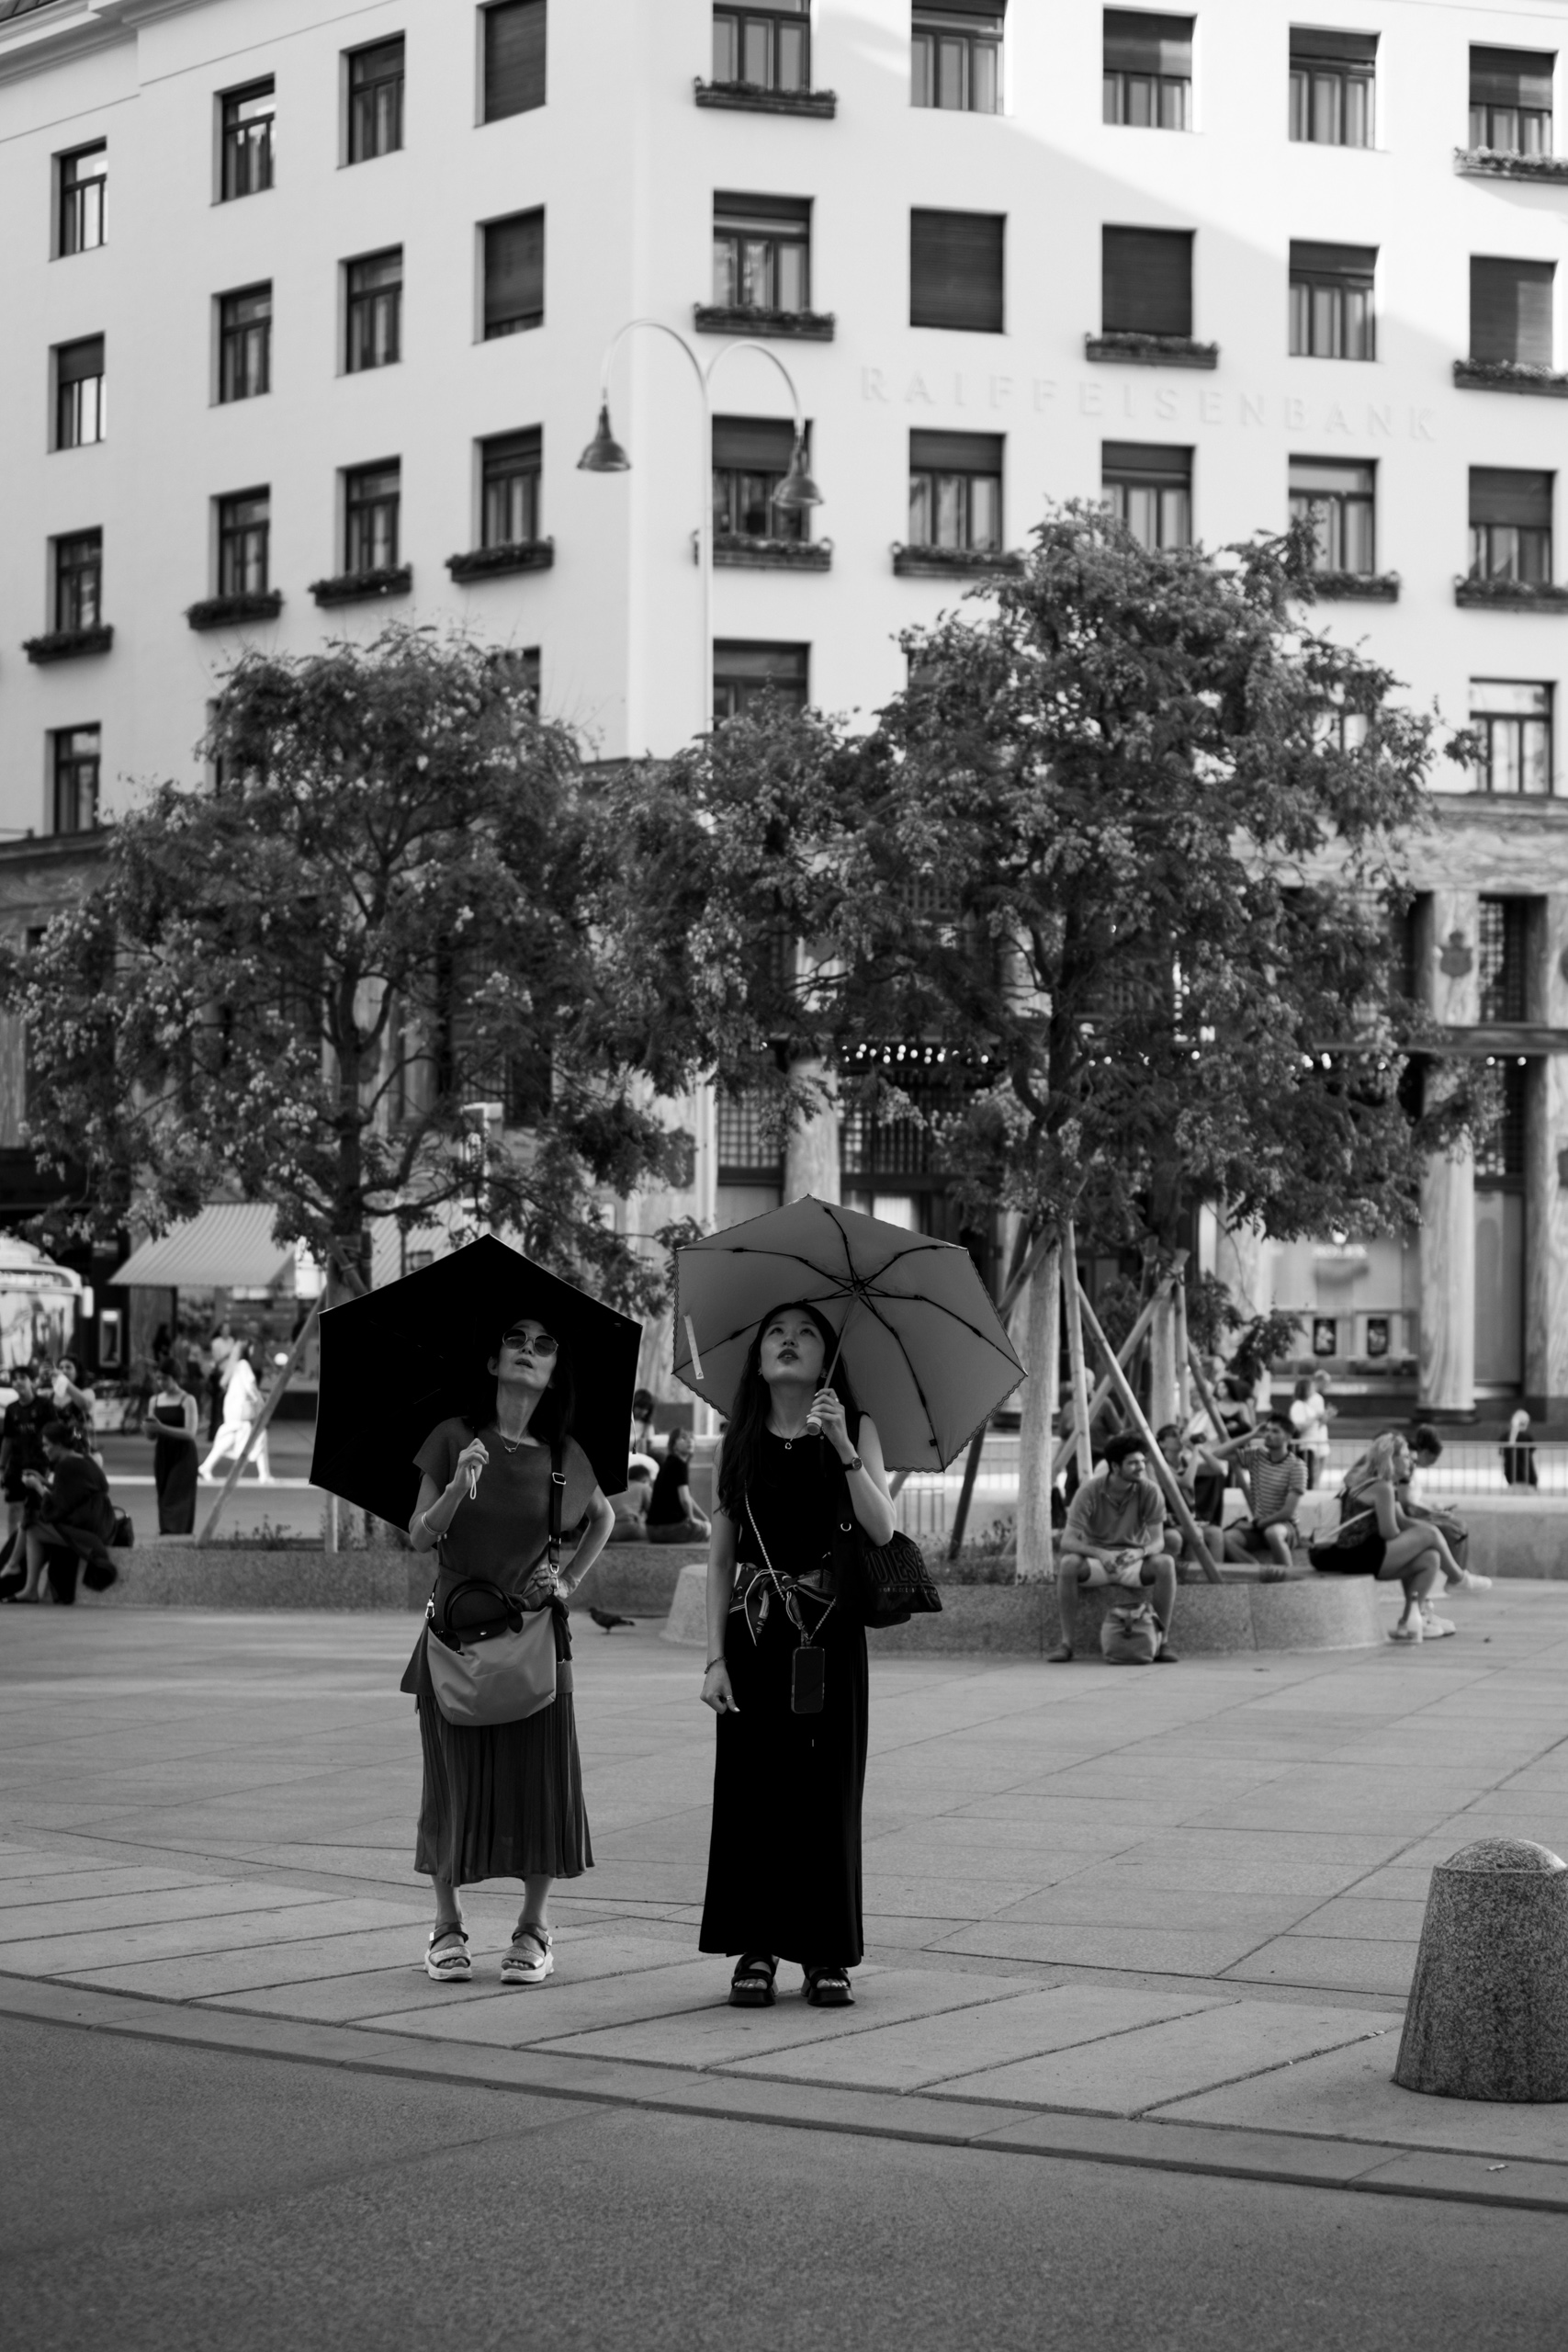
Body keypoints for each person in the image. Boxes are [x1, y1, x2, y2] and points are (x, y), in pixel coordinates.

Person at [402, 1318, 615, 1989]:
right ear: (493, 1361)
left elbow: (603, 1517)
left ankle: (533, 1929)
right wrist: (456, 1488)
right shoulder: (452, 1438)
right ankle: (446, 1926)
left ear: (552, 1374)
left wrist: (569, 1581)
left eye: (544, 1345)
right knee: (451, 1781)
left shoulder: (563, 1455)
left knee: (542, 1783)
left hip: (535, 1639)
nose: (529, 1349)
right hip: (454, 1640)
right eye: (516, 1339)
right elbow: (418, 1536)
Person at [700, 1301, 895, 2010]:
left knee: (825, 1795)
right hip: (754, 1636)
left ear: (825, 1360)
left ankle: (824, 1952)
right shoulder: (739, 1439)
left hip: (828, 1637)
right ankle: (755, 1949)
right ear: (758, 1361)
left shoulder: (855, 1427)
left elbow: (883, 1527)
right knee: (753, 1795)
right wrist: (713, 1659)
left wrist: (842, 1444)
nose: (788, 1341)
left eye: (806, 1332)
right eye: (775, 1333)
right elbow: (720, 1559)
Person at [1312, 1430, 1481, 1642]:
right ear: (1391, 1459)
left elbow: (1402, 1522)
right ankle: (1458, 1578)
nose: (1411, 1461)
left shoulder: (1378, 1483)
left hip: (1356, 1553)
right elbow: (1389, 1532)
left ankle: (1410, 1621)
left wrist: (1421, 1532)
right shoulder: (1382, 1488)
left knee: (1430, 1558)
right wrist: (1416, 1539)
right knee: (1429, 1535)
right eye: (1406, 1456)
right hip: (1356, 1554)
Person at [1050, 1430, 1179, 1664]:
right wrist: (1100, 1553)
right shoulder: (1089, 1491)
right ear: (1115, 1467)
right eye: (1133, 1463)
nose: (1141, 1467)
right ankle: (1066, 1644)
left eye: (1142, 1461)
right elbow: (1068, 1541)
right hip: (1097, 1562)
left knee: (1166, 1564)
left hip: (1134, 1562)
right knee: (1068, 1564)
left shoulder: (1150, 1490)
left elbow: (1158, 1541)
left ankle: (1163, 1643)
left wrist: (1139, 1552)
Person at [14, 1422, 118, 1604]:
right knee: (33, 1524)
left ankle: (27, 1585)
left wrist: (37, 1486)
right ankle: (18, 1573)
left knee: (32, 1526)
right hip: (105, 1523)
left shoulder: (66, 1466)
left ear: (59, 1444)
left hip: (90, 1529)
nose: (44, 1449)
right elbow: (73, 1493)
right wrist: (45, 1483)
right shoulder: (85, 1459)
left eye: (47, 1445)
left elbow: (57, 1508)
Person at [1399, 1426, 1485, 1595]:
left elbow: (1408, 1501)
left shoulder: (1406, 1469)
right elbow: (1405, 1504)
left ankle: (1458, 1575)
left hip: (1411, 1516)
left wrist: (1433, 1509)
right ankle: (1456, 1578)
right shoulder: (1403, 1472)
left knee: (1459, 1525)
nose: (1411, 1462)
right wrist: (1432, 1513)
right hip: (1408, 1518)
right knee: (1452, 1530)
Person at [1222, 1416, 1307, 1569]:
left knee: (1272, 1533)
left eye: (1275, 1431)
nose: (1268, 1434)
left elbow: (1288, 1512)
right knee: (1226, 1538)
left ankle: (1287, 1575)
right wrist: (1252, 1434)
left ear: (1288, 1437)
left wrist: (1259, 1524)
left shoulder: (1297, 1466)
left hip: (1285, 1527)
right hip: (1259, 1527)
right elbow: (1217, 1454)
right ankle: (1259, 1571)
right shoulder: (1256, 1456)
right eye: (1267, 1430)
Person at [197, 1343, 269, 1483]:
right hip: (241, 1410)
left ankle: (206, 1467)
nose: (253, 1350)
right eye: (251, 1347)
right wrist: (260, 1401)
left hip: (233, 1408)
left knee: (230, 1438)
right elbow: (250, 1386)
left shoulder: (235, 1365)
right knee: (259, 1435)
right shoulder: (243, 1365)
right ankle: (264, 1474)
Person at [144, 1360, 199, 1534]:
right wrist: (148, 1429)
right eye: (158, 1378)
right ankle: (168, 1532)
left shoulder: (187, 1400)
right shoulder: (154, 1400)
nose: (161, 1382)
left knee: (175, 1495)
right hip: (163, 1453)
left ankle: (173, 1532)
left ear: (175, 1378)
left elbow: (190, 1433)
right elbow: (152, 1436)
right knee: (164, 1493)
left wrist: (161, 1428)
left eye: (165, 1378)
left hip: (183, 1453)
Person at [645, 1426, 712, 1544]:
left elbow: (688, 1499)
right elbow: (685, 1499)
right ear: (674, 1445)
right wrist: (692, 1519)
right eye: (683, 1438)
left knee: (706, 1524)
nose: (689, 1441)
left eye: (691, 1438)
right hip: (671, 1529)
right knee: (709, 1529)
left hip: (652, 1531)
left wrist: (704, 1517)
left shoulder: (668, 1463)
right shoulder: (679, 1464)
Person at [1288, 1373, 1336, 1488]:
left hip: (1310, 1445)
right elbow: (1300, 1426)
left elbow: (1315, 1423)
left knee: (1309, 1476)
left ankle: (1313, 1489)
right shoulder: (1300, 1405)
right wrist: (1318, 1417)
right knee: (1307, 1478)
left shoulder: (1305, 1405)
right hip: (1305, 1445)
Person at [606, 1460, 654, 1542]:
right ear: (645, 1479)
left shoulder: (617, 1487)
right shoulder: (644, 1487)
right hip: (630, 1527)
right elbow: (652, 1511)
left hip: (608, 1531)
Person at [1500, 1408, 1538, 1488]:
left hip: (1510, 1474)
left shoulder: (1506, 1436)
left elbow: (1502, 1453)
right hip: (1525, 1475)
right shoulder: (1525, 1437)